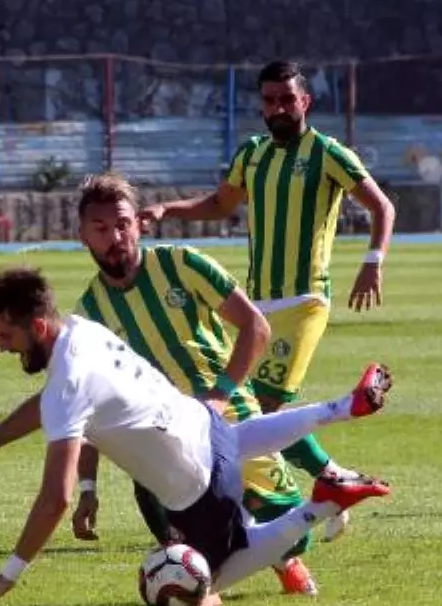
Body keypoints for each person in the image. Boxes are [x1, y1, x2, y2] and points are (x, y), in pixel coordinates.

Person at [0, 267, 392, 606]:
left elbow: (52, 499)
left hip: (196, 486)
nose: (1, 346)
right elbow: (43, 403)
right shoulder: (83, 331)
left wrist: (7, 577)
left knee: (202, 589)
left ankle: (324, 504)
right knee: (239, 440)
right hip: (208, 425)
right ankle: (342, 407)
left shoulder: (68, 384)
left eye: (5, 334)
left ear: (37, 326)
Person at [140, 60, 395, 536]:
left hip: (305, 300)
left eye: (286, 99)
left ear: (305, 102)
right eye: (269, 100)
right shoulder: (252, 153)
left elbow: (382, 205)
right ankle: (332, 481)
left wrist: (373, 260)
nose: (277, 108)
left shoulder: (327, 153)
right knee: (251, 412)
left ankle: (305, 493)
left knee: (265, 407)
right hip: (256, 306)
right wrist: (167, 208)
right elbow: (220, 205)